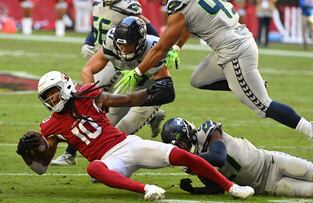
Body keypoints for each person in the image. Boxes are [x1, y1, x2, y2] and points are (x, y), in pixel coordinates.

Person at [113, 0, 313, 161]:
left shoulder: (178, 8)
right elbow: (187, 26)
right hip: (230, 45)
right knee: (198, 79)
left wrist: (139, 72)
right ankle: (247, 85)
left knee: (262, 106)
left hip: (234, 52)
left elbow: (161, 47)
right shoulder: (186, 5)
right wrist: (178, 47)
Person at [16, 71, 254, 201]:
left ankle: (231, 187)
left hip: (127, 144)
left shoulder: (87, 95)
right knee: (94, 170)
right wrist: (28, 153)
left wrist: (150, 92)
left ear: (65, 87)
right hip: (110, 161)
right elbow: (41, 167)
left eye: (53, 94)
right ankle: (147, 189)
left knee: (180, 155)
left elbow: (127, 100)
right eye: (46, 97)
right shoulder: (50, 125)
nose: (51, 100)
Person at [51, 0, 165, 165]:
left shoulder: (128, 6)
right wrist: (88, 42)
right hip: (105, 54)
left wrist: (161, 47)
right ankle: (151, 117)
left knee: (92, 105)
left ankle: (71, 153)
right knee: (89, 102)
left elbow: (144, 26)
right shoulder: (98, 3)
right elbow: (96, 26)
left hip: (121, 58)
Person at [161, 117, 313, 197]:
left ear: (186, 134)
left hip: (272, 162)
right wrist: (194, 190)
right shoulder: (195, 161)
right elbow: (216, 187)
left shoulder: (208, 131)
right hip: (267, 186)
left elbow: (219, 157)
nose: (182, 149)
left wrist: (192, 162)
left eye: (181, 144)